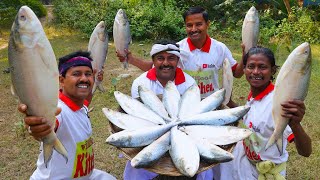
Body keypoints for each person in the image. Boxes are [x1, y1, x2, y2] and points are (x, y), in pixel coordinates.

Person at [212, 47, 312, 179]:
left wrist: (295, 124)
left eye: (262, 67)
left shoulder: (278, 102)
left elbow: (305, 151)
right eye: (251, 66)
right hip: (247, 161)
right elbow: (251, 115)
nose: (256, 72)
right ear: (244, 69)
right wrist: (230, 103)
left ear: (273, 71)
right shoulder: (255, 95)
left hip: (266, 171)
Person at [124, 40, 213, 180]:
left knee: (204, 168)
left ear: (177, 60)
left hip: (184, 133)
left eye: (171, 58)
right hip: (151, 134)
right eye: (160, 58)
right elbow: (140, 115)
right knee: (136, 166)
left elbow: (191, 115)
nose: (166, 63)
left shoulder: (189, 83)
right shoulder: (141, 83)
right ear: (153, 60)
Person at [18, 51, 116, 180]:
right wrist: (39, 127)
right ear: (61, 80)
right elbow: (49, 125)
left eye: (88, 74)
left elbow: (85, 102)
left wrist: (96, 79)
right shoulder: (57, 109)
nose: (84, 78)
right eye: (76, 74)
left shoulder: (80, 105)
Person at [117, 6, 244, 99]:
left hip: (209, 103)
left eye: (198, 24)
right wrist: (131, 59)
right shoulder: (178, 48)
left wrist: (245, 55)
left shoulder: (219, 48)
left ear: (207, 24)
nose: (194, 29)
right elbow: (155, 66)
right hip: (184, 103)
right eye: (189, 25)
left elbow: (237, 73)